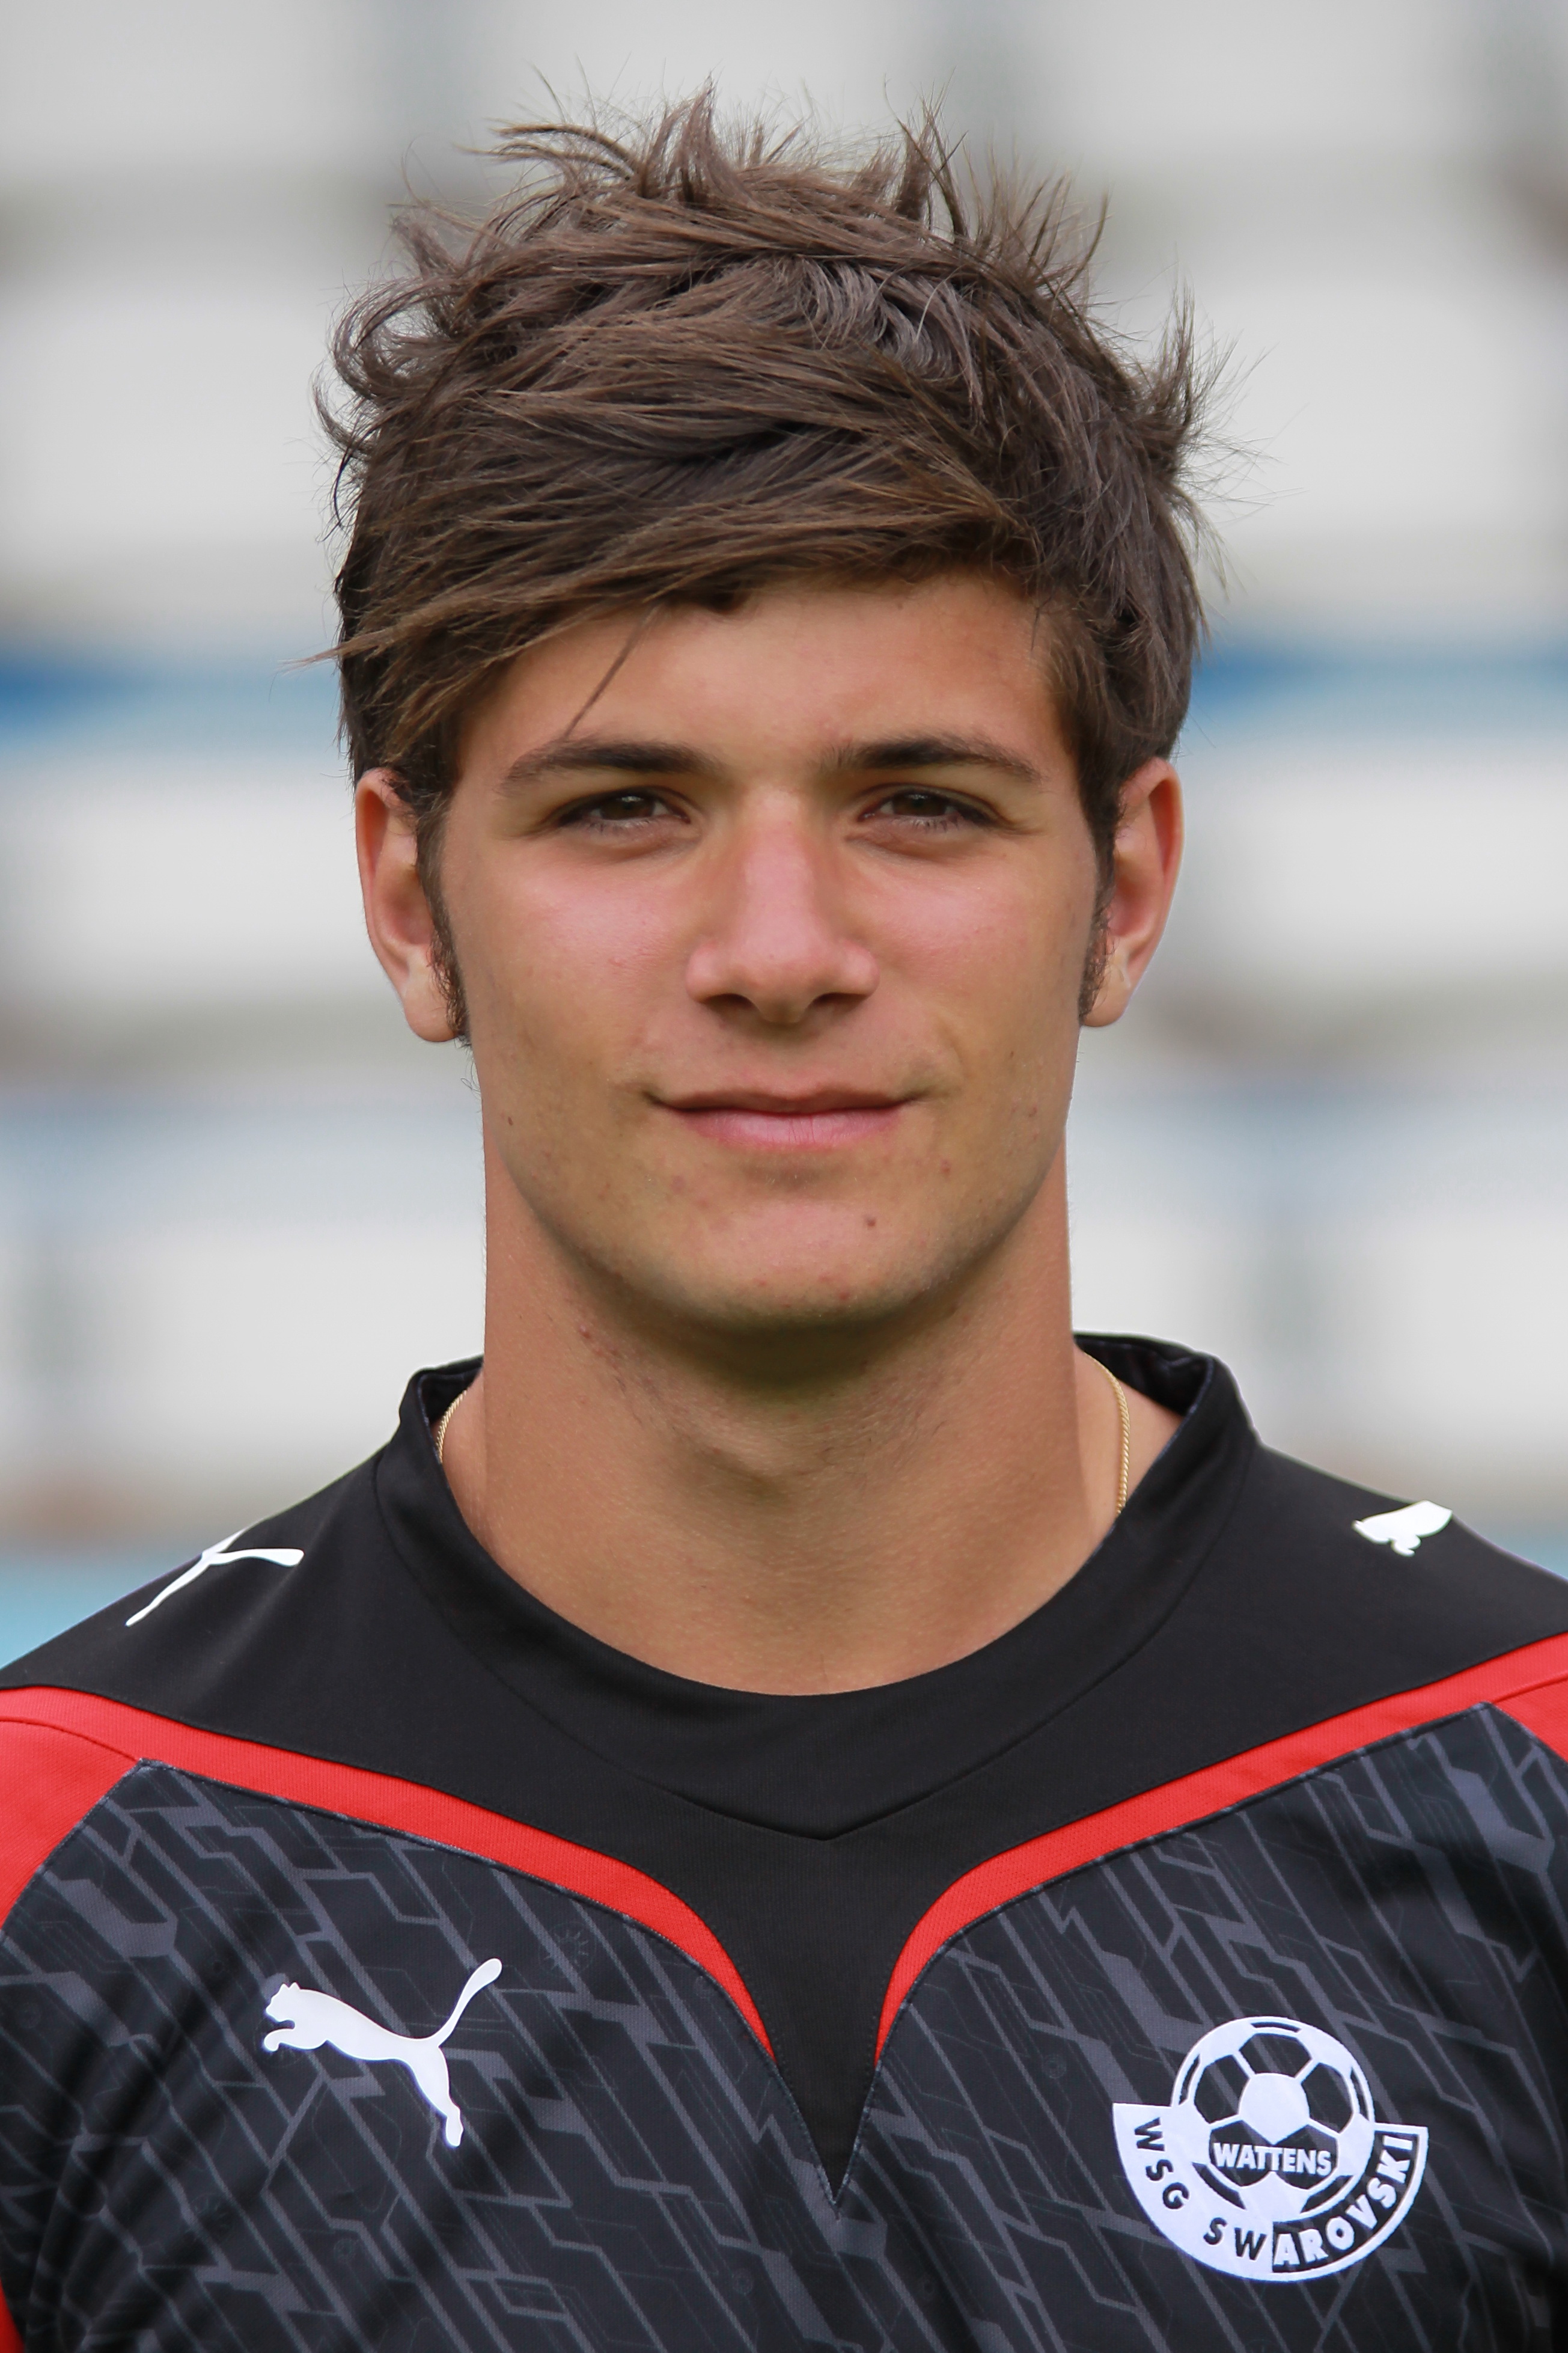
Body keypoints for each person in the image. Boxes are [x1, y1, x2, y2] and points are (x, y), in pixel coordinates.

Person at [2, 99, 1566, 2353]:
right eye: (622, 808)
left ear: (1125, 889)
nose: (776, 949)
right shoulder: (64, 1869)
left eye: (915, 804)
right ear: (405, 901)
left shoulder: (1520, 1789)